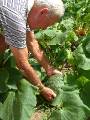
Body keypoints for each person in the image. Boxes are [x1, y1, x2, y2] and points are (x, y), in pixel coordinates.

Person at [0, 0, 65, 101]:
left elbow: (31, 42)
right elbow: (22, 64)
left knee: (2, 42)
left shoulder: (28, 6)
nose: (45, 28)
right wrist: (42, 88)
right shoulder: (16, 17)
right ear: (43, 12)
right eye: (47, 23)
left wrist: (49, 68)